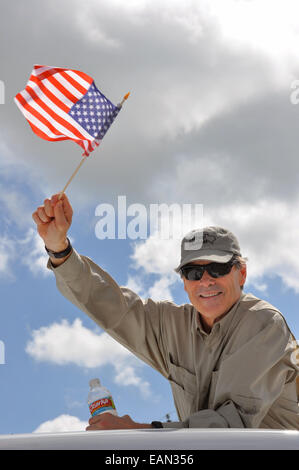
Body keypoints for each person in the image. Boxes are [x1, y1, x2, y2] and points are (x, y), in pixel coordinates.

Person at [32, 193, 299, 431]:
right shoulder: (171, 325)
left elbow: (230, 426)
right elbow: (111, 306)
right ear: (184, 282)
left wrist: (137, 430)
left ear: (241, 273)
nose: (206, 281)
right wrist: (59, 249)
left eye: (217, 269)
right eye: (193, 272)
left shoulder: (264, 323)